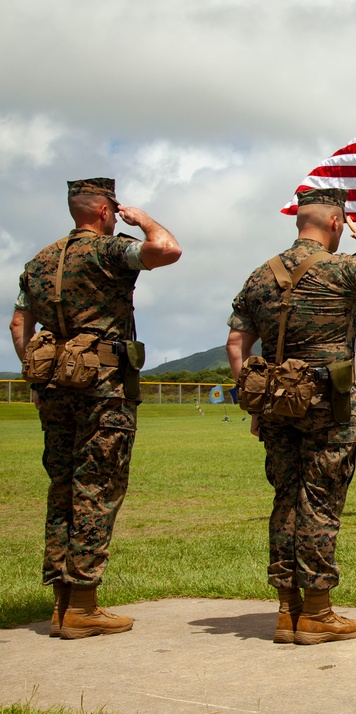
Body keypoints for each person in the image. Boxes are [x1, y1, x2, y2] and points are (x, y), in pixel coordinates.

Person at [226, 188, 356, 646]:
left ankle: (286, 610)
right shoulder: (344, 267)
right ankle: (317, 613)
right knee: (318, 499)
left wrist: (254, 400)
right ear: (337, 223)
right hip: (326, 403)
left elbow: (237, 346)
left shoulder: (259, 276)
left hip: (276, 403)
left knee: (285, 498)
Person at [9, 177, 181, 639]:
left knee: (62, 487)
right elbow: (166, 249)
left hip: (56, 385)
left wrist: (37, 376)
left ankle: (62, 604)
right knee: (97, 487)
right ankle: (83, 605)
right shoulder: (109, 251)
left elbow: (19, 323)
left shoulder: (39, 262)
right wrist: (143, 220)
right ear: (105, 211)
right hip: (104, 389)